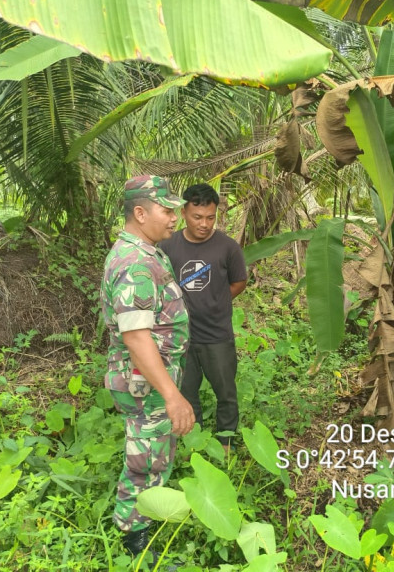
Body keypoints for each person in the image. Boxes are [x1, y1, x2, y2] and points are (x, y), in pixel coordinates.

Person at [101, 175, 195, 558]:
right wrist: (172, 396)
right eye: (166, 209)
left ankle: (140, 524)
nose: (175, 217)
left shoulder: (146, 253)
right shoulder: (135, 264)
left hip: (149, 377)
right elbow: (136, 337)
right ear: (140, 213)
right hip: (145, 381)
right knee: (146, 458)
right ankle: (135, 539)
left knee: (153, 450)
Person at [160, 183, 247, 449]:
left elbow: (239, 282)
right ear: (183, 212)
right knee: (186, 392)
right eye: (198, 217)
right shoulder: (167, 246)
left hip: (217, 335)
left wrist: (216, 301)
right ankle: (192, 443)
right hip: (180, 336)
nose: (205, 224)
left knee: (226, 392)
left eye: (211, 217)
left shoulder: (228, 248)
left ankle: (226, 443)